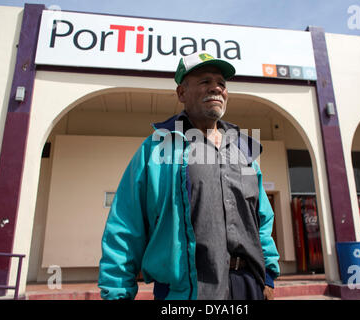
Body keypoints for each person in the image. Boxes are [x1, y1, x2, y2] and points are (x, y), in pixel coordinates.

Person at [98, 51, 280, 300]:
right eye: (205, 81)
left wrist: (268, 276)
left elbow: (262, 218)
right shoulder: (156, 149)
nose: (216, 88)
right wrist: (117, 293)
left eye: (221, 83)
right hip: (185, 293)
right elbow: (126, 224)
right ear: (182, 93)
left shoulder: (243, 151)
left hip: (248, 287)